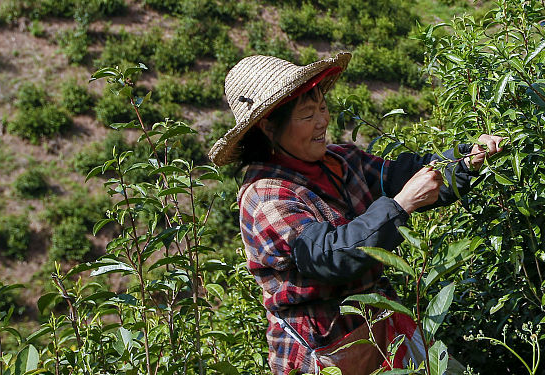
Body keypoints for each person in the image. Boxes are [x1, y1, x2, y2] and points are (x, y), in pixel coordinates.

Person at [209, 53, 503, 375]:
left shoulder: (340, 161)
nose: (323, 121)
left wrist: (463, 161)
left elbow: (403, 175)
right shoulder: (267, 197)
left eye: (322, 107)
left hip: (381, 328)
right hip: (324, 351)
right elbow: (330, 256)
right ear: (268, 127)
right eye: (307, 115)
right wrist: (401, 205)